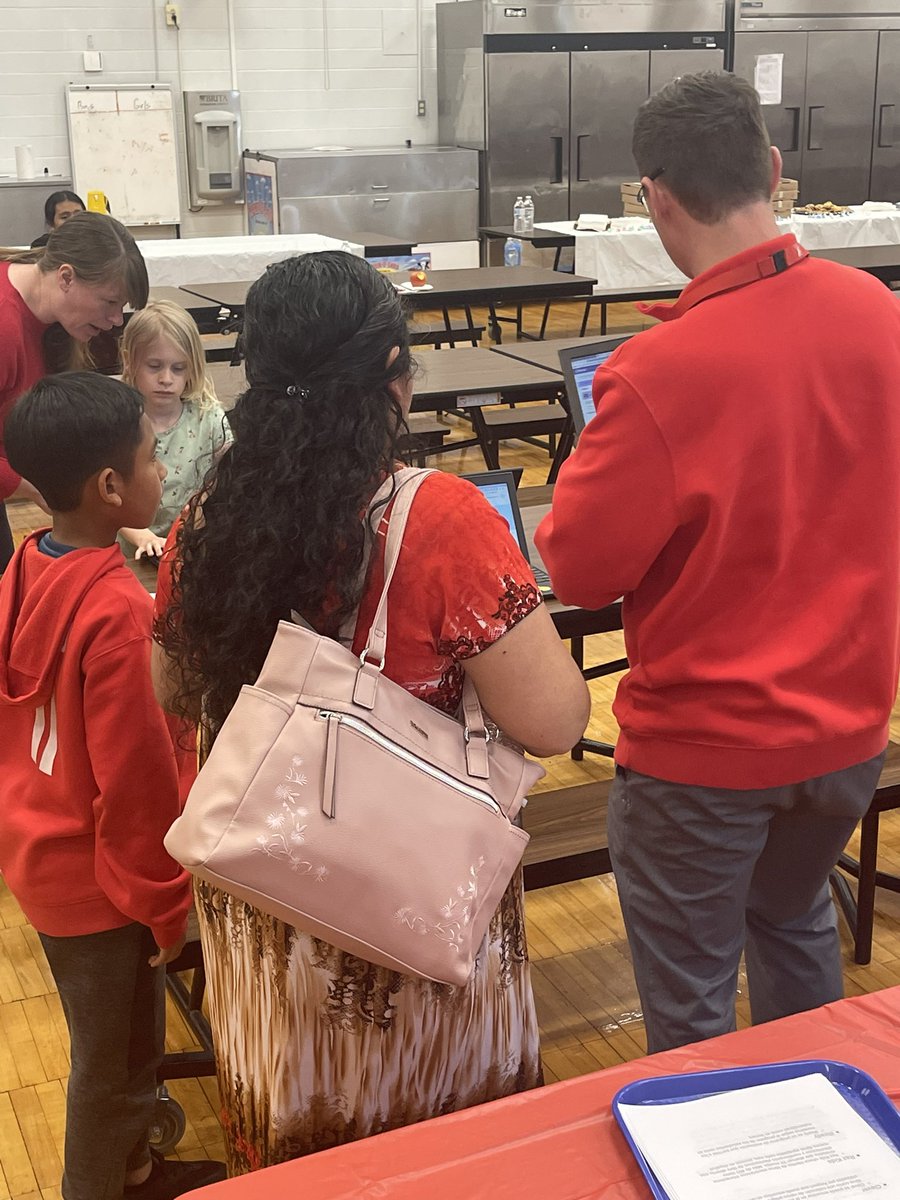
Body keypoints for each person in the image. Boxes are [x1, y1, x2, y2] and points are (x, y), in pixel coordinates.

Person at [151, 250, 590, 1172]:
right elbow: (553, 723)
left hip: (262, 881)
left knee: (300, 1129)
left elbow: (170, 690)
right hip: (402, 891)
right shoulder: (441, 518)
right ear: (396, 374)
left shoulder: (205, 519)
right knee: (437, 1141)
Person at [535, 70, 900, 1054]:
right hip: (846, 739)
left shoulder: (659, 371)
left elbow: (578, 572)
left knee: (695, 1011)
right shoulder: (878, 315)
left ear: (653, 199)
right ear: (774, 172)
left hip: (707, 757)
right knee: (794, 929)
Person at [0, 372, 225, 1199]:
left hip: (40, 849)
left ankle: (136, 1170)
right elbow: (134, 785)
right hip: (102, 885)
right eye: (151, 458)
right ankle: (97, 1186)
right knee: (115, 1064)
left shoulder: (26, 564)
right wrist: (164, 904)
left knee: (122, 1048)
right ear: (109, 487)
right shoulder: (117, 616)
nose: (162, 472)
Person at [0, 210, 148, 572]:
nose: (116, 321)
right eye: (110, 302)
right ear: (66, 277)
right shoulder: (4, 327)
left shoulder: (51, 320)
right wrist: (31, 486)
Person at [119, 300, 232, 559]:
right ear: (129, 361)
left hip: (193, 551)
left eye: (178, 368)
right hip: (134, 554)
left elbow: (228, 482)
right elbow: (106, 497)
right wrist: (141, 535)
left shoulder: (210, 418)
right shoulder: (119, 422)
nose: (166, 379)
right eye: (154, 366)